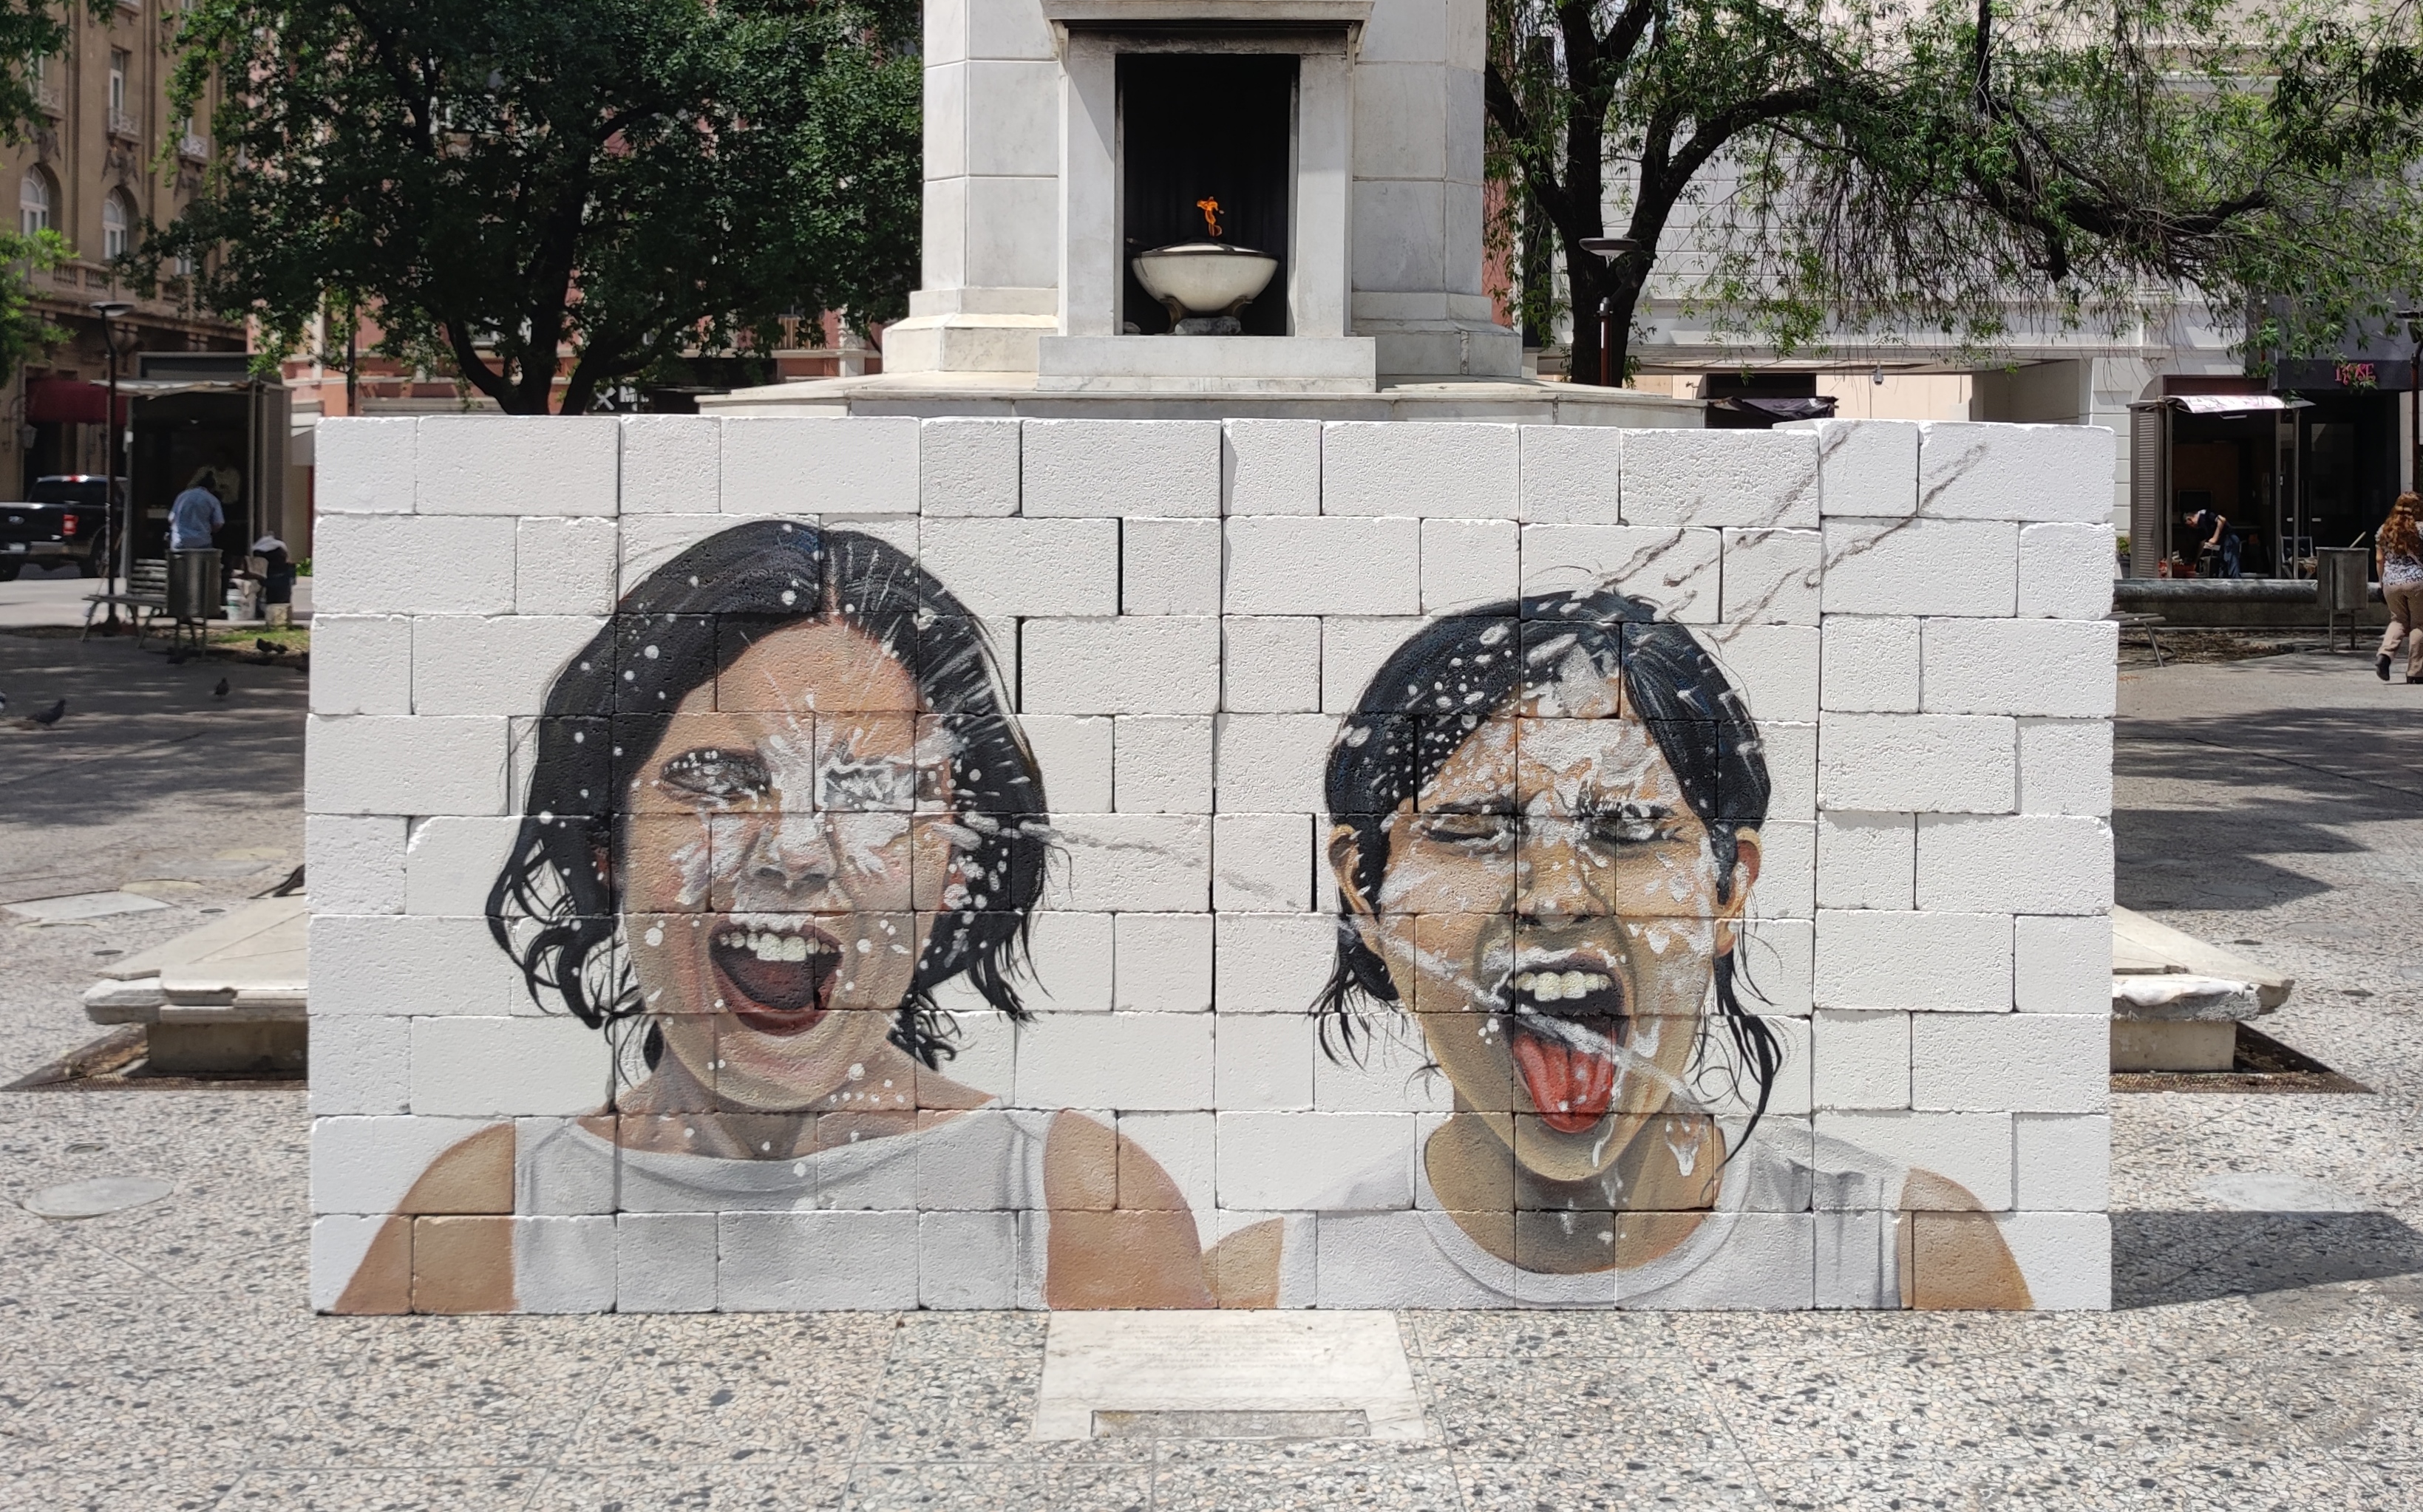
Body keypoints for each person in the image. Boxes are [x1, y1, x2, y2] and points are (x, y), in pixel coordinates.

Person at [336, 520, 1229, 1312]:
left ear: (956, 863)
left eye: (876, 789)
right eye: (719, 779)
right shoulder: (481, 1213)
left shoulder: (1079, 1205)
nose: (796, 851)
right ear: (608, 841)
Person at [1300, 588, 2032, 1309]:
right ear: (1366, 890)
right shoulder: (1278, 1281)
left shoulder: (1908, 1253)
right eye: (1475, 828)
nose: (1556, 898)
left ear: (1726, 889)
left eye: (1626, 825)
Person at [2376, 492, 2423, 683]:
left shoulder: (2384, 530)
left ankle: (2385, 655)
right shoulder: (2421, 529)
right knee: (2420, 624)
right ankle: (2416, 672)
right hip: (2418, 582)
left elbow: (2380, 559)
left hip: (2391, 583)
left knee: (2398, 621)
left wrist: (2382, 583)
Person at [166, 474, 223, 553]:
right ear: (212, 489)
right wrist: (208, 530)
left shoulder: (182, 496)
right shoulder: (212, 500)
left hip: (180, 541)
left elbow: (171, 519)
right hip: (202, 542)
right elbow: (218, 524)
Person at [2184, 506, 2240, 579]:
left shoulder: (2204, 515)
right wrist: (2196, 562)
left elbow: (2222, 520)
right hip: (2222, 544)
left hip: (2229, 540)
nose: (2193, 527)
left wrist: (2215, 538)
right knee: (2223, 569)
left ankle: (2237, 586)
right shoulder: (2202, 525)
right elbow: (2202, 543)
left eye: (2190, 525)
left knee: (2232, 566)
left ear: (2190, 519)